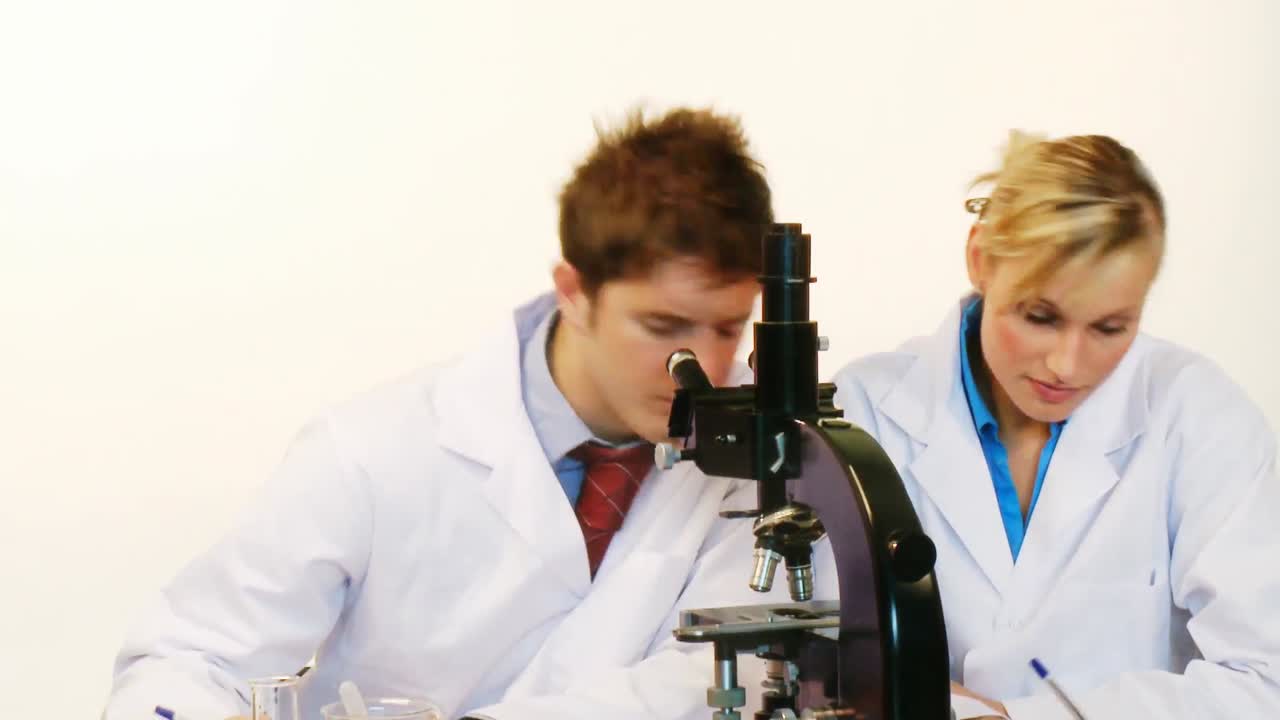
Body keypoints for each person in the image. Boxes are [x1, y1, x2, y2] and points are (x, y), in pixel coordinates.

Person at [105, 107, 779, 720]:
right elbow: (192, 661)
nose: (703, 371)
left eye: (727, 328)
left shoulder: (768, 461)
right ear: (575, 292)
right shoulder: (372, 450)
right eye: (663, 325)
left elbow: (730, 680)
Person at [829, 132, 1280, 718]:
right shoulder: (864, 411)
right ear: (981, 259)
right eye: (1040, 317)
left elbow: (1263, 681)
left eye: (1110, 328)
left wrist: (1008, 717)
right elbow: (815, 658)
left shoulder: (1197, 415)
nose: (1068, 366)